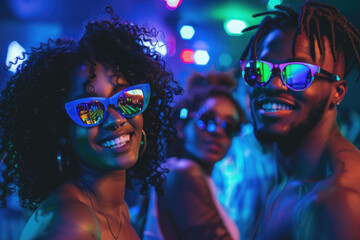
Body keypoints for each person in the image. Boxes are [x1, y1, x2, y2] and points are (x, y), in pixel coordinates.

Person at [0, 6, 181, 239]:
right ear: (62, 129)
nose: (115, 119)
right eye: (89, 109)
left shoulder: (119, 210)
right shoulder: (72, 220)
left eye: (127, 99)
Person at [239, 1, 360, 239]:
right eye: (260, 70)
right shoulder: (294, 176)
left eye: (297, 73)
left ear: (338, 92)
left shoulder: (339, 199)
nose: (272, 84)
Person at [142, 85, 245, 239]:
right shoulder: (184, 172)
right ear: (181, 127)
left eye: (229, 127)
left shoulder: (205, 181)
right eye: (207, 119)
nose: (217, 131)